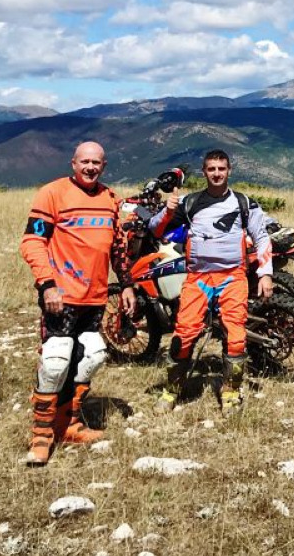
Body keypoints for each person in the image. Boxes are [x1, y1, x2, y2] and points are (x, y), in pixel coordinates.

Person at [19, 142, 135, 467]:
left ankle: (67, 425)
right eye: (84, 161)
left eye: (96, 162)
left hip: (94, 297)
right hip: (61, 296)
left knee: (91, 356)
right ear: (73, 163)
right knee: (56, 361)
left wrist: (126, 284)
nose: (90, 167)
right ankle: (41, 436)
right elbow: (32, 242)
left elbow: (118, 246)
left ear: (104, 165)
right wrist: (47, 284)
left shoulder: (109, 199)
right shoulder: (52, 194)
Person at [151, 149, 272, 415]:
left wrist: (265, 273)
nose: (217, 173)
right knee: (183, 335)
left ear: (229, 171)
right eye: (211, 169)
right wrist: (167, 212)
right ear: (204, 172)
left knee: (236, 338)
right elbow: (156, 229)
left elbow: (261, 237)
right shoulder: (190, 203)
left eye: (221, 168)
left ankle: (230, 393)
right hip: (198, 278)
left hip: (233, 277)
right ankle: (171, 390)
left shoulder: (244, 203)